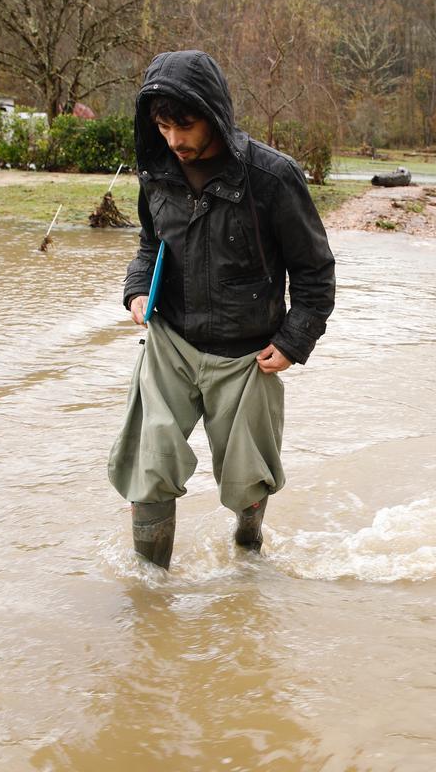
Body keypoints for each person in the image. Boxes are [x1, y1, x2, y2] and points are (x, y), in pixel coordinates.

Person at [108, 50, 335, 569]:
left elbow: (315, 272)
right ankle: (150, 596)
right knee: (149, 465)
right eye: (162, 126)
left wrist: (294, 340)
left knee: (246, 479)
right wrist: (138, 290)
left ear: (214, 113)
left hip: (249, 355)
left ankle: (248, 553)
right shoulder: (158, 174)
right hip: (171, 342)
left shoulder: (273, 179)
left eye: (184, 125)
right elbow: (149, 244)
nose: (174, 140)